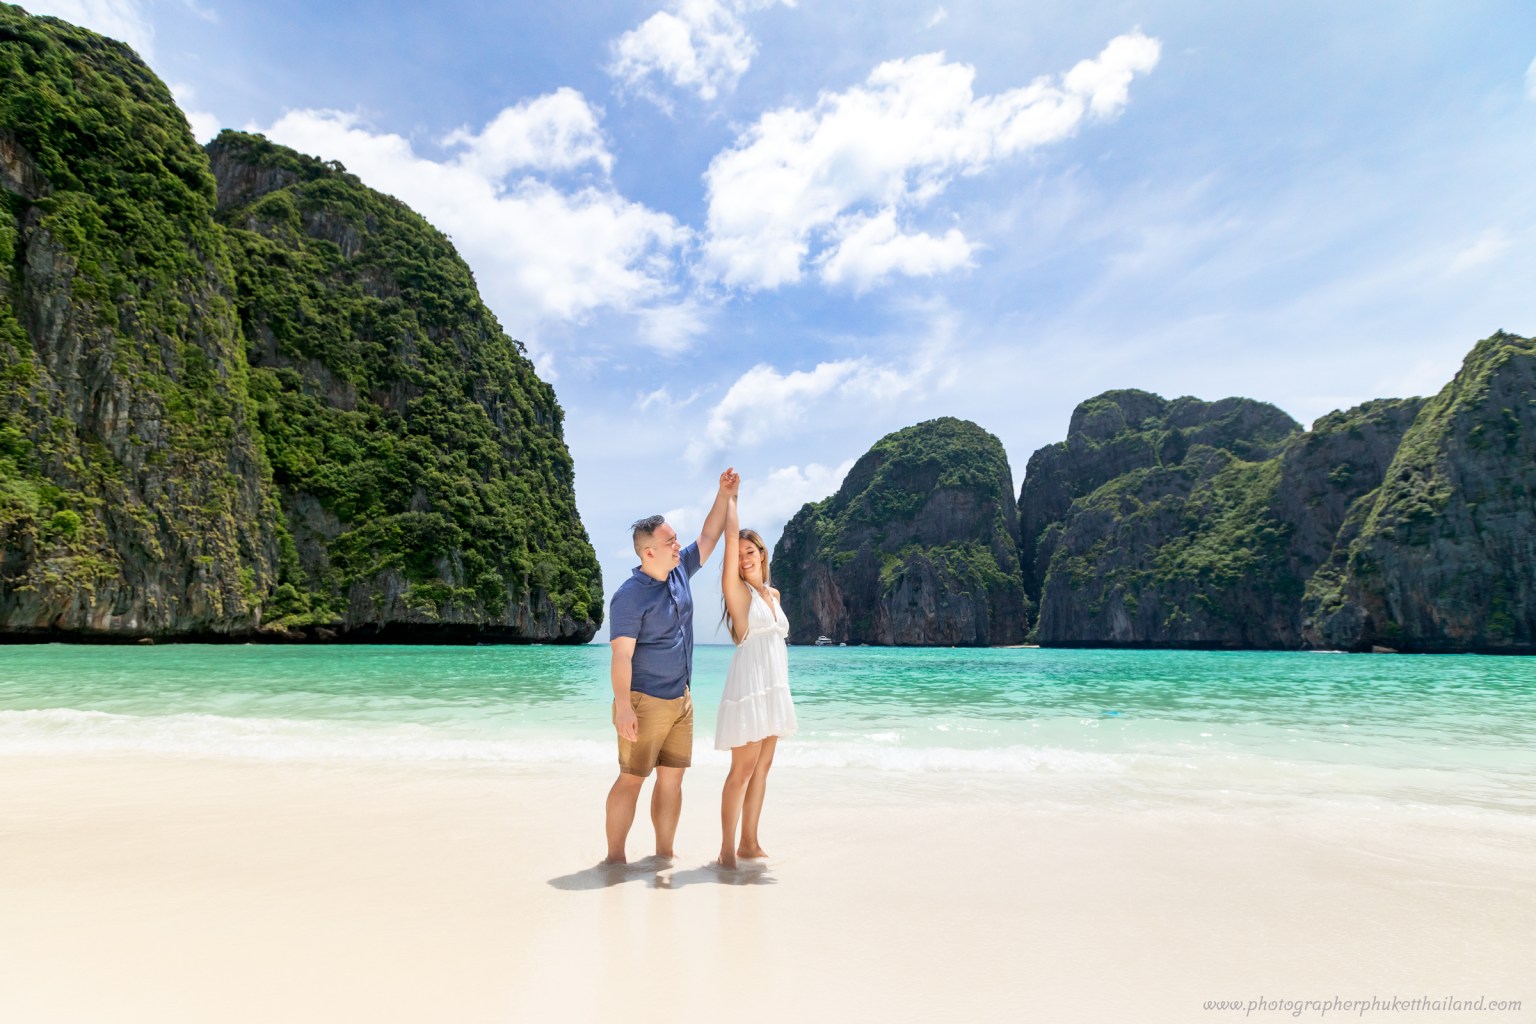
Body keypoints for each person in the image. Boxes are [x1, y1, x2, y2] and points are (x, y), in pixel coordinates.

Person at [603, 469, 739, 865]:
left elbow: (710, 537)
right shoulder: (629, 598)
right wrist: (624, 706)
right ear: (649, 552)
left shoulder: (679, 570)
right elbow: (621, 656)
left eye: (677, 539)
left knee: (672, 778)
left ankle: (664, 854)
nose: (678, 545)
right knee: (632, 779)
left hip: (681, 699)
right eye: (670, 541)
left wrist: (723, 494)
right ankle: (614, 859)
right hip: (643, 702)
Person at [714, 491, 797, 869]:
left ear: (763, 555)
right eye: (742, 552)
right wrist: (731, 499)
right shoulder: (738, 592)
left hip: (773, 686)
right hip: (749, 685)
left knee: (762, 769)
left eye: (752, 551)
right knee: (742, 770)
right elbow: (729, 542)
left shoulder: (773, 594)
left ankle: (750, 842)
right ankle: (726, 850)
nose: (746, 557)